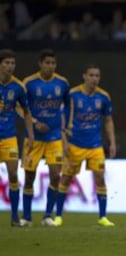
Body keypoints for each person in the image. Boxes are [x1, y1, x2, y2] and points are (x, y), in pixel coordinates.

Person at [55, 64, 116, 227]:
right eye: (91, 75)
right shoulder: (73, 95)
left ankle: (102, 217)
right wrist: (64, 142)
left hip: (95, 145)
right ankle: (58, 216)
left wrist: (112, 142)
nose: (94, 79)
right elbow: (61, 119)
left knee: (100, 179)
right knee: (66, 179)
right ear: (84, 76)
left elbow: (108, 121)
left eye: (97, 76)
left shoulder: (103, 97)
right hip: (74, 144)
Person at [20, 49, 70, 227]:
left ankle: (48, 216)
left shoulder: (62, 83)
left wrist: (66, 126)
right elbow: (20, 108)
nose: (50, 66)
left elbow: (68, 104)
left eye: (53, 63)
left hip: (54, 136)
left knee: (56, 175)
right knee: (29, 177)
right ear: (40, 64)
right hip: (33, 138)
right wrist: (34, 122)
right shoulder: (29, 83)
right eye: (47, 63)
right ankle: (26, 217)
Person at [0, 49, 34, 226]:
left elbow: (27, 113)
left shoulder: (18, 87)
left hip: (8, 138)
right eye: (6, 63)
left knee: (13, 174)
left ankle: (14, 217)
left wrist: (30, 134)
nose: (10, 67)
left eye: (12, 63)